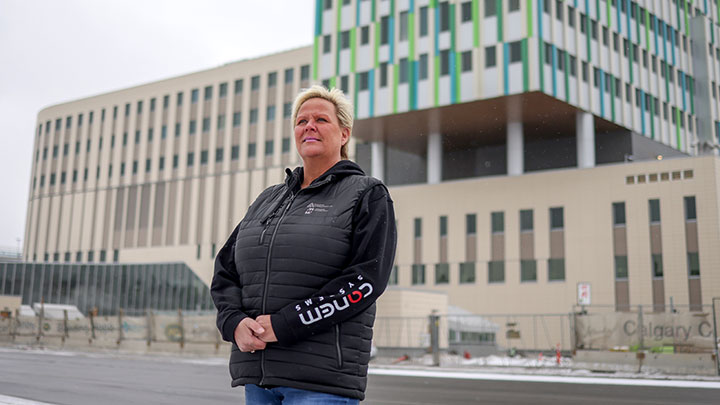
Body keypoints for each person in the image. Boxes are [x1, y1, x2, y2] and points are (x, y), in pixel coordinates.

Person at [211, 85, 397, 404]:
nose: (309, 125)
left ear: (344, 134)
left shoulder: (367, 194)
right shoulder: (267, 200)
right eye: (301, 120)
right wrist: (233, 322)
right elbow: (225, 272)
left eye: (321, 119)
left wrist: (286, 324)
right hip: (258, 379)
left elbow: (365, 281)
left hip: (321, 383)